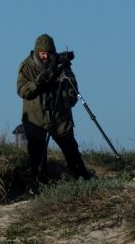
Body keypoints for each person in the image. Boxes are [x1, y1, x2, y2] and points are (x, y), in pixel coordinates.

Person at [16, 33, 93, 192]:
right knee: (37, 157)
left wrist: (67, 97)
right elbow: (22, 91)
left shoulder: (61, 66)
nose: (45, 56)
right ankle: (39, 188)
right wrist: (38, 83)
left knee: (71, 151)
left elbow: (73, 91)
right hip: (35, 118)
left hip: (59, 117)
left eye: (48, 53)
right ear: (37, 52)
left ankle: (84, 182)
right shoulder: (27, 66)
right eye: (42, 53)